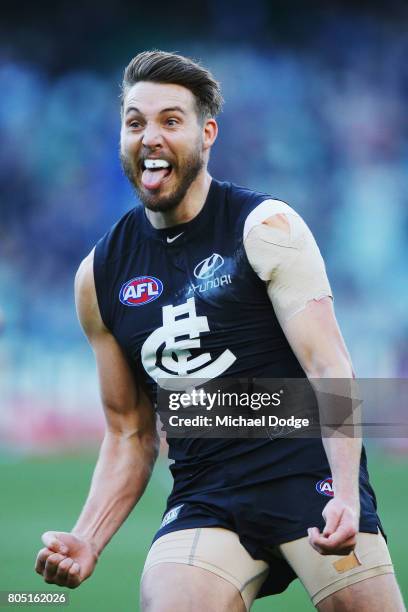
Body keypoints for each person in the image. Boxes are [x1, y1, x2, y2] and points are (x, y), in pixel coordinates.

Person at [35, 51, 405, 611]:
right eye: (135, 122)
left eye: (170, 121)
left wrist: (348, 497)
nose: (150, 137)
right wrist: (88, 537)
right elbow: (129, 433)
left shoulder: (267, 227)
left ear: (207, 134)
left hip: (307, 478)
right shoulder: (100, 274)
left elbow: (331, 370)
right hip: (208, 496)